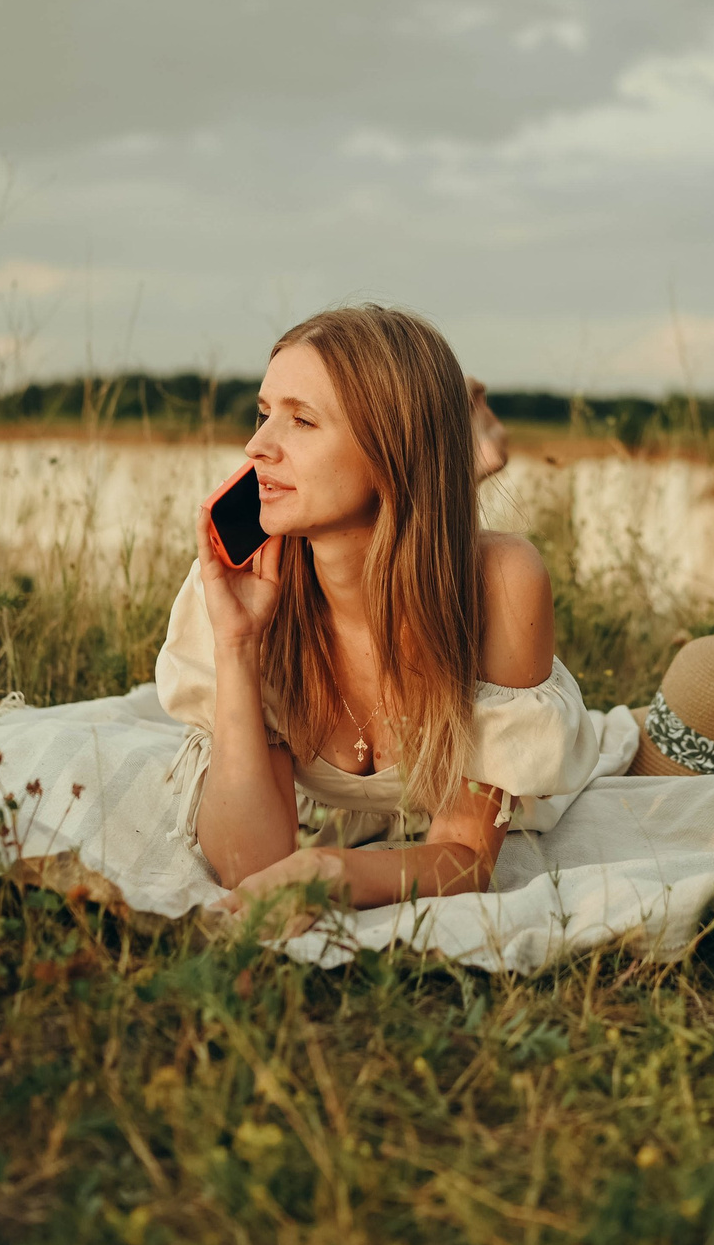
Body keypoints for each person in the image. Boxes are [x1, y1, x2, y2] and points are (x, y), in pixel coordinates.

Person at [164, 305, 580, 916]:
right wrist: (237, 643)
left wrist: (329, 869)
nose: (257, 446)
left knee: (437, 550)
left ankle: (472, 450)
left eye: (301, 421)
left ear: (392, 448)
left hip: (433, 560)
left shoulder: (503, 582)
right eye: (263, 413)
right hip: (319, 768)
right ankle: (473, 451)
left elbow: (464, 856)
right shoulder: (247, 585)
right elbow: (246, 868)